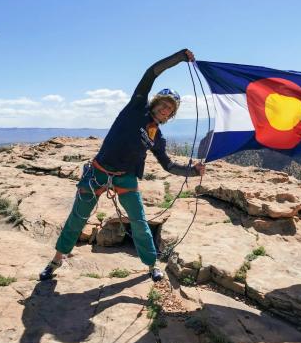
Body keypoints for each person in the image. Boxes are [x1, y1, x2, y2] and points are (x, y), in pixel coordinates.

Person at [39, 48, 205, 283]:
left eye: (170, 108)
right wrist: (179, 57)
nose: (165, 109)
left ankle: (151, 266)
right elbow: (151, 73)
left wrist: (193, 171)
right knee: (77, 218)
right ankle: (56, 260)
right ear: (155, 102)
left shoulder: (158, 137)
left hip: (125, 178)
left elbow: (168, 165)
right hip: (97, 171)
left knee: (139, 222)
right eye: (163, 104)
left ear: (171, 115)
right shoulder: (136, 108)